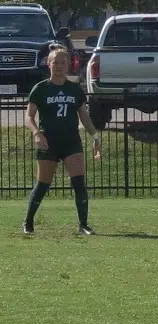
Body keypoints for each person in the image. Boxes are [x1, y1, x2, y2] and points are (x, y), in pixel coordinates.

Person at [23, 44, 101, 235]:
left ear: (69, 65)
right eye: (55, 62)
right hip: (48, 142)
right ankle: (28, 222)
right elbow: (28, 116)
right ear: (48, 65)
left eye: (62, 62)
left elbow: (84, 116)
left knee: (79, 183)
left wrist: (95, 136)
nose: (58, 66)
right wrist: (36, 133)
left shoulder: (74, 90)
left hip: (71, 142)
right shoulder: (41, 89)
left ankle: (83, 225)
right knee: (43, 184)